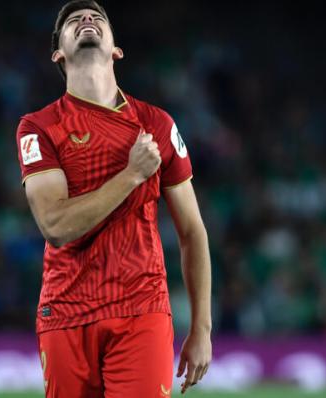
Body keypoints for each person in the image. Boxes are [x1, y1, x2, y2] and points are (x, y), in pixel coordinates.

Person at [15, 1, 212, 396]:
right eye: (74, 20)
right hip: (66, 311)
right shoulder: (38, 128)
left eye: (96, 18)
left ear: (116, 49)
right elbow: (55, 227)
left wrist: (201, 329)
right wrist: (132, 174)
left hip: (141, 308)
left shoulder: (156, 124)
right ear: (59, 53)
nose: (87, 20)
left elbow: (192, 231)